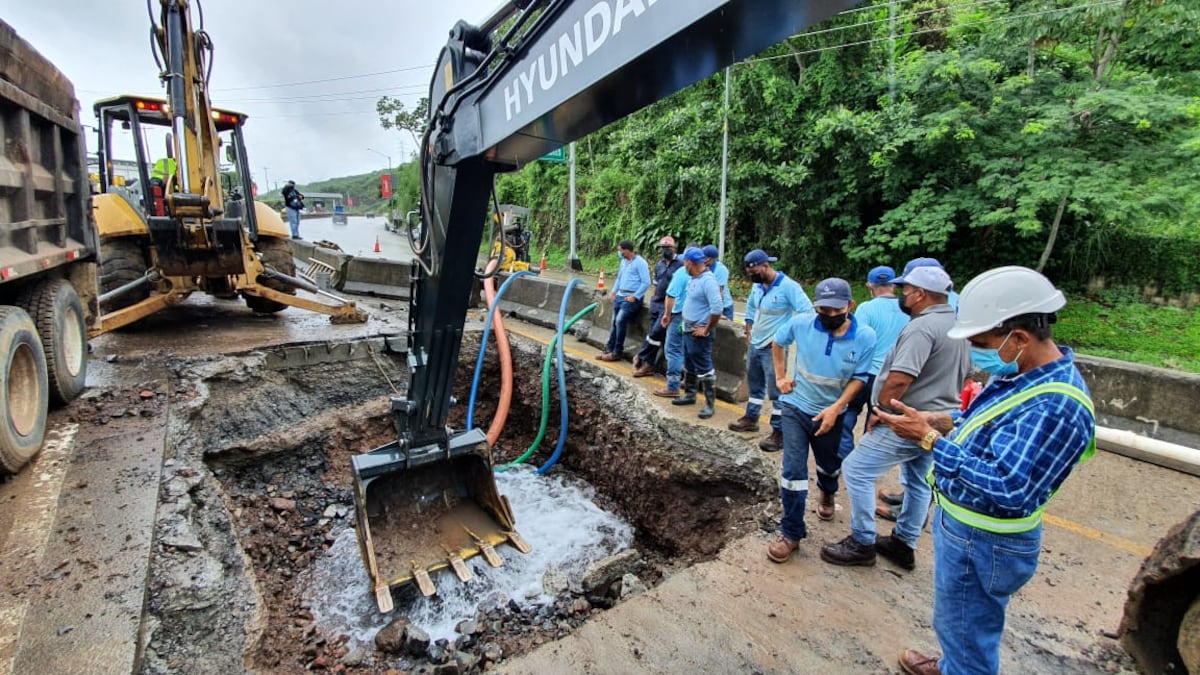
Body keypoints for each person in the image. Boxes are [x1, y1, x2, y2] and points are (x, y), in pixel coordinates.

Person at [874, 266, 1095, 675]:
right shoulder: (1022, 375)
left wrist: (929, 439)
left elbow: (1009, 487)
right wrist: (943, 421)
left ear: (1019, 338)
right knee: (960, 621)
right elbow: (992, 426)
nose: (975, 352)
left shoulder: (1055, 405)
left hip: (985, 539)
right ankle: (953, 663)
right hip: (968, 528)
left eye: (980, 343)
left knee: (969, 627)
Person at [820, 265, 970, 570]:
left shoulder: (922, 328)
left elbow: (901, 378)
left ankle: (862, 542)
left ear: (921, 294)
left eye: (907, 290)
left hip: (907, 418)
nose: (903, 295)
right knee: (918, 480)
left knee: (856, 470)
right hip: (939, 419)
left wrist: (883, 411)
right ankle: (904, 543)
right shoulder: (959, 325)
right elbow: (966, 376)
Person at [767, 278, 876, 564]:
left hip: (831, 413)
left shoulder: (865, 337)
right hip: (795, 407)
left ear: (850, 305)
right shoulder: (801, 324)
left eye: (835, 310)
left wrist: (837, 408)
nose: (828, 315)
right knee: (792, 471)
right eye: (823, 310)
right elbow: (777, 343)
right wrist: (780, 376)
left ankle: (828, 492)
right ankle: (791, 532)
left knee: (829, 465)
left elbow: (859, 379)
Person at [728, 249, 813, 453]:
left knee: (777, 391)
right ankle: (751, 418)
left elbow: (807, 312)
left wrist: (782, 336)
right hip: (756, 343)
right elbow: (751, 306)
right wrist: (749, 326)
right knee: (755, 384)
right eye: (749, 274)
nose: (752, 277)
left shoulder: (789, 287)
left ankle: (779, 432)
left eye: (755, 272)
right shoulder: (758, 286)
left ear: (765, 266)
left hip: (774, 348)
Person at [837, 265, 909, 460]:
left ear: (870, 285)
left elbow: (856, 341)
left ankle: (845, 455)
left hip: (866, 372)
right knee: (877, 419)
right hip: (893, 376)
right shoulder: (908, 309)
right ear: (894, 285)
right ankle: (865, 458)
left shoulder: (866, 308)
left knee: (848, 411)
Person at [673, 247, 723, 418]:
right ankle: (690, 394)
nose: (683, 266)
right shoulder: (693, 278)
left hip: (699, 332)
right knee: (689, 363)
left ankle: (709, 404)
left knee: (704, 366)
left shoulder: (708, 281)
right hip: (688, 329)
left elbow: (717, 308)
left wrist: (706, 329)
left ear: (690, 263)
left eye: (684, 263)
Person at [632, 236, 683, 377]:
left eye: (667, 248)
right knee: (653, 335)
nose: (665, 250)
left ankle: (640, 356)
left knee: (655, 333)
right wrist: (653, 300)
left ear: (674, 248)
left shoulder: (680, 265)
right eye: (663, 248)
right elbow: (656, 285)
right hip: (656, 303)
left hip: (669, 304)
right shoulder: (659, 265)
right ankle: (648, 364)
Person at [596, 240, 651, 362]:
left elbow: (646, 282)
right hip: (620, 295)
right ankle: (609, 349)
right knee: (614, 322)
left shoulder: (640, 263)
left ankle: (617, 351)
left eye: (620, 250)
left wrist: (635, 296)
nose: (619, 253)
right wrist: (614, 292)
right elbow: (619, 278)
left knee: (620, 320)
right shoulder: (623, 262)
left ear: (627, 250)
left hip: (631, 298)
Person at [653, 249, 694, 398]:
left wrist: (666, 315)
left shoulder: (681, 273)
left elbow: (670, 296)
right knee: (688, 350)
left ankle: (672, 386)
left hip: (679, 315)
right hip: (694, 317)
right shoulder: (704, 275)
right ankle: (689, 383)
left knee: (673, 350)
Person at [702, 244, 735, 320]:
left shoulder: (721, 270)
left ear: (710, 259)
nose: (702, 260)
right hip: (710, 306)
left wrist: (718, 312)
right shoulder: (705, 268)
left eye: (704, 258)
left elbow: (720, 293)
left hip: (724, 307)